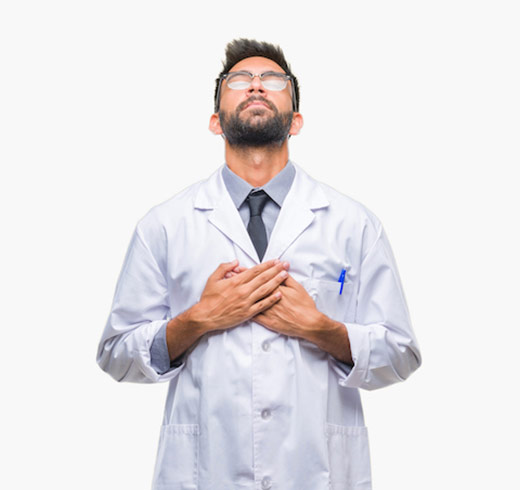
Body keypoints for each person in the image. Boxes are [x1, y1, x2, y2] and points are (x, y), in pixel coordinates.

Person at [96, 38, 421, 490]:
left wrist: (320, 328)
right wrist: (197, 319)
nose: (255, 87)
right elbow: (115, 354)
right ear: (214, 121)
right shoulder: (165, 225)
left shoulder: (354, 224)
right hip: (204, 472)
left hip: (317, 472)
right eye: (238, 81)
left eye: (272, 80)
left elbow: (402, 354)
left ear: (297, 120)